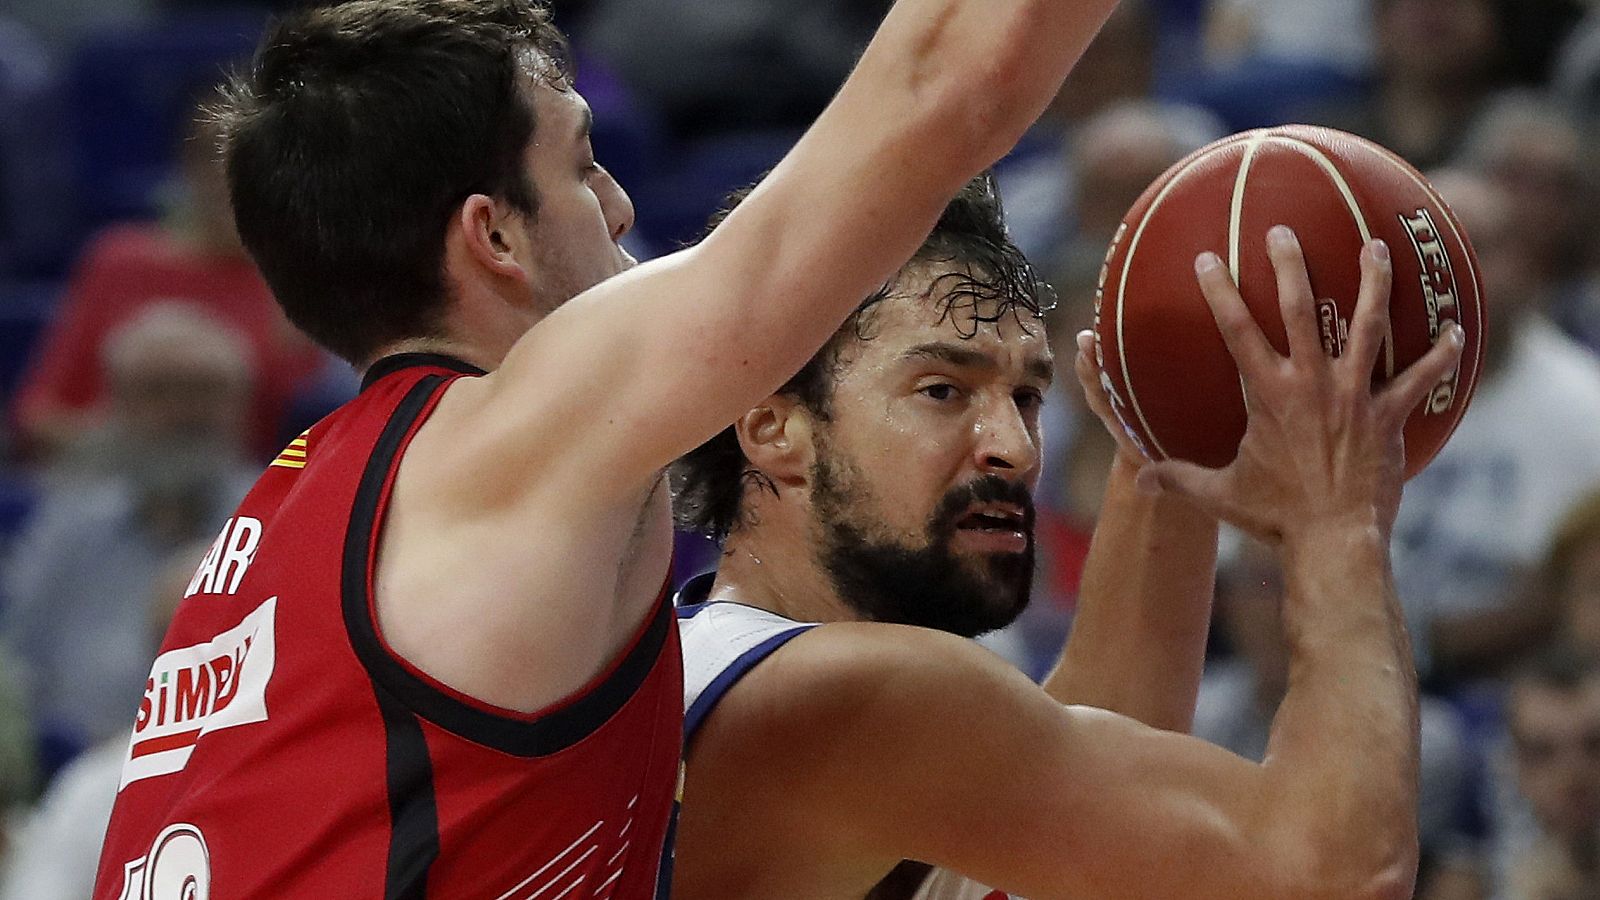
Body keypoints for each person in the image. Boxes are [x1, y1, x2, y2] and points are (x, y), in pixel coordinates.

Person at [91, 0, 1128, 896]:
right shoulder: (510, 440)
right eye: (585, 165)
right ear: (494, 237)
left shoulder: (274, 521)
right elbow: (944, 87)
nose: (624, 206)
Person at [669, 171, 1467, 896]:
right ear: (774, 427)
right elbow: (1336, 875)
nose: (1013, 448)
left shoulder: (745, 677)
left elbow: (1103, 759)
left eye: (1026, 397)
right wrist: (1341, 525)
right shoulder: (834, 696)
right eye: (943, 389)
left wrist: (1174, 416)